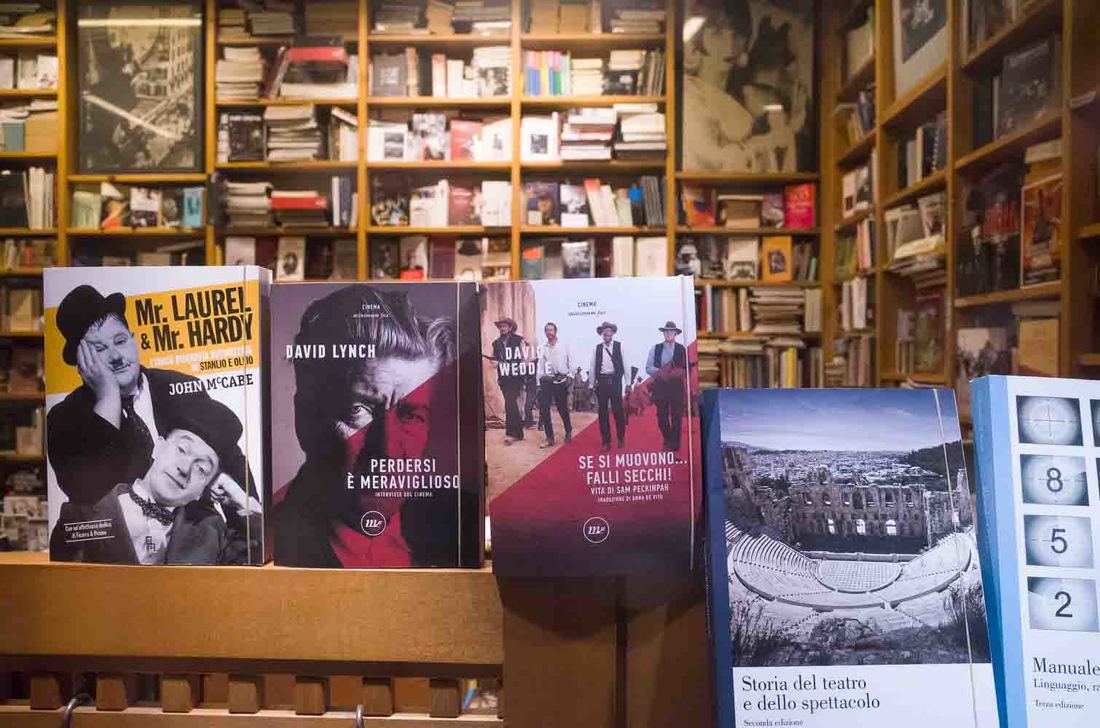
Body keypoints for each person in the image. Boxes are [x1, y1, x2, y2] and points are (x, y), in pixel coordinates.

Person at [275, 285, 475, 568]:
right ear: (305, 418)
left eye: (410, 415)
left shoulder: (461, 524)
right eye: (358, 409)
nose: (389, 452)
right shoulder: (274, 547)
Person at [47, 285, 253, 508]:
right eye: (99, 349)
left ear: (133, 340)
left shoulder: (181, 387)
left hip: (196, 536)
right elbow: (90, 496)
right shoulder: (63, 420)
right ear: (81, 365)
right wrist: (108, 398)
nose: (116, 356)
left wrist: (248, 528)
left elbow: (230, 459)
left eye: (120, 341)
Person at [50, 392, 261, 565]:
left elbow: (258, 560)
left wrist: (244, 502)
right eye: (181, 449)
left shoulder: (212, 533)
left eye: (202, 469)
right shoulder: (79, 517)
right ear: (158, 447)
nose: (185, 468)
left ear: (203, 489)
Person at [646, 322, 688, 451]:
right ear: (663, 333)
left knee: (676, 418)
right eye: (666, 331)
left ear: (675, 333)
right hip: (661, 387)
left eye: (671, 331)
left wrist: (677, 373)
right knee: (662, 418)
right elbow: (648, 367)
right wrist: (660, 373)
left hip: (677, 388)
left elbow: (686, 369)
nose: (669, 333)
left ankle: (674, 447)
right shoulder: (655, 348)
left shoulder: (682, 349)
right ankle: (668, 439)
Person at [490, 317, 529, 445]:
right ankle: (519, 433)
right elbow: (493, 360)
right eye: (501, 327)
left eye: (505, 326)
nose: (502, 328)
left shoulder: (519, 340)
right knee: (511, 403)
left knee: (510, 403)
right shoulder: (496, 343)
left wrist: (522, 370)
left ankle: (511, 434)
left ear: (510, 328)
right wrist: (495, 362)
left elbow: (525, 358)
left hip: (516, 377)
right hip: (504, 378)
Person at [589, 321, 627, 451]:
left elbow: (626, 365)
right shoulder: (597, 348)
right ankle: (606, 441)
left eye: (609, 331)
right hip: (602, 382)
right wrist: (591, 383)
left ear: (612, 333)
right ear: (602, 334)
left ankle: (621, 438)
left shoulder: (619, 346)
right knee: (603, 413)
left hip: (615, 381)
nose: (607, 333)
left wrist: (628, 383)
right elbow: (592, 366)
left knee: (618, 411)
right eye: (604, 331)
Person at [536, 322, 573, 448]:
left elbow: (571, 359)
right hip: (547, 380)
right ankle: (549, 437)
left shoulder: (564, 345)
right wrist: (539, 380)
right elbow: (540, 364)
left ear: (555, 331)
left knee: (562, 408)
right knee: (544, 409)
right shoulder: (543, 347)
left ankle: (568, 430)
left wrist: (570, 376)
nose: (549, 332)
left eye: (551, 330)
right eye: (546, 330)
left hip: (561, 380)